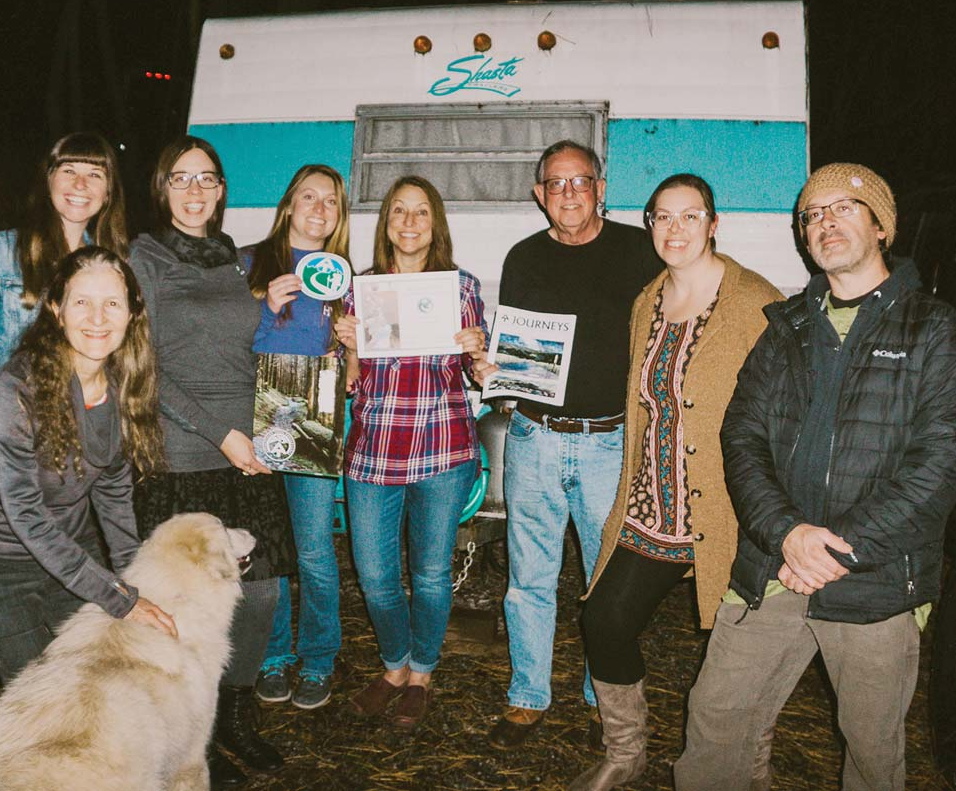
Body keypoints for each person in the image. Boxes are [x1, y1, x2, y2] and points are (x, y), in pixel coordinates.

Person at [674, 164, 956, 791]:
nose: (824, 223)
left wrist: (837, 548)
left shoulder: (934, 329)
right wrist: (786, 533)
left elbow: (940, 464)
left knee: (872, 753)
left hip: (874, 579)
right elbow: (743, 437)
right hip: (773, 566)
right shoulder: (785, 326)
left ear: (881, 225)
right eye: (812, 214)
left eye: (843, 208)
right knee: (715, 722)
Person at [568, 175, 781, 791]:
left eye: (690, 217)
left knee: (740, 660)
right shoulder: (648, 300)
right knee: (604, 621)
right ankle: (625, 751)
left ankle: (752, 769)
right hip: (652, 505)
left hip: (729, 511)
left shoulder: (755, 302)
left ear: (715, 224)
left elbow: (781, 412)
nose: (675, 230)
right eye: (662, 217)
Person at [0, 133, 127, 790]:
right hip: (2, 453)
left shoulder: (109, 262)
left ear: (109, 189)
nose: (80, 184)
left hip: (74, 461)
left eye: (94, 174)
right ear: (47, 178)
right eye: (68, 170)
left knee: (49, 579)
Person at [476, 140, 663, 751]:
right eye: (555, 185)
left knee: (604, 582)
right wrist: (494, 373)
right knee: (529, 577)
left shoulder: (641, 250)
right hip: (534, 437)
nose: (568, 195)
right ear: (539, 195)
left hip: (610, 441)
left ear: (601, 188)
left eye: (579, 182)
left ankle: (599, 700)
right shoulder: (524, 257)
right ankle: (528, 697)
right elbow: (521, 355)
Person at [129, 137, 296, 782]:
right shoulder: (144, 258)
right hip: (184, 454)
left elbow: (242, 348)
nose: (195, 190)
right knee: (186, 606)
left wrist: (271, 315)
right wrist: (222, 434)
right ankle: (185, 739)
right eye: (181, 179)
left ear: (224, 188)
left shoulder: (235, 260)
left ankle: (233, 718)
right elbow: (142, 367)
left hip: (247, 449)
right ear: (162, 188)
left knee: (258, 594)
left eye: (207, 179)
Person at [0, 246, 173, 680]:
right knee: (42, 687)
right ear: (56, 309)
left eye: (112, 303)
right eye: (81, 302)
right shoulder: (16, 388)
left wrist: (137, 583)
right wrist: (118, 597)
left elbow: (113, 492)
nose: (97, 317)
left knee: (100, 672)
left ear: (132, 313)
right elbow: (25, 514)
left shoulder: (124, 385)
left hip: (69, 546)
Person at [332, 175, 489, 732]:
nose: (409, 221)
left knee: (428, 574)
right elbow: (350, 383)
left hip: (444, 448)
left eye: (421, 212)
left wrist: (478, 352)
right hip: (374, 449)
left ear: (435, 224)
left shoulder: (462, 287)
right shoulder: (359, 289)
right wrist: (346, 345)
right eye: (399, 210)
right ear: (387, 223)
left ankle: (420, 672)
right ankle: (393, 665)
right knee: (374, 575)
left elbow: (479, 370)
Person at [240, 164, 350, 711]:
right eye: (308, 196)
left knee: (312, 549)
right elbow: (230, 345)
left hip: (316, 422)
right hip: (258, 420)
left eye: (330, 201)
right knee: (266, 549)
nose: (319, 208)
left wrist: (352, 346)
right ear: (289, 204)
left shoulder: (344, 277)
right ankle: (272, 654)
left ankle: (320, 658)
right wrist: (267, 308)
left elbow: (354, 371)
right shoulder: (248, 262)